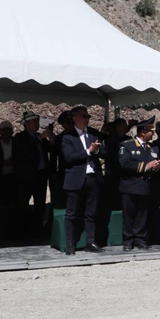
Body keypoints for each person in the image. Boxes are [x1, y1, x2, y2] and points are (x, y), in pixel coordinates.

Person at [60, 106, 106, 255]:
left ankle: (90, 242)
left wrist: (97, 150)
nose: (87, 119)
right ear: (75, 118)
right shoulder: (68, 137)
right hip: (75, 179)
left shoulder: (94, 133)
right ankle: (70, 244)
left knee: (91, 213)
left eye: (88, 116)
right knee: (72, 213)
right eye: (84, 116)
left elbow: (105, 152)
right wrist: (88, 151)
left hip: (93, 177)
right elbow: (69, 157)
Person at [118, 117, 160, 251]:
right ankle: (128, 240)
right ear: (143, 132)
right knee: (128, 215)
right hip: (130, 185)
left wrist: (155, 167)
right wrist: (145, 166)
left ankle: (140, 239)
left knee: (142, 215)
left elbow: (155, 165)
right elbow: (124, 163)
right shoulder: (127, 145)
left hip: (145, 186)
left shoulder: (152, 148)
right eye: (151, 131)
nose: (153, 133)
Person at [13, 111, 52, 237]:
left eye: (37, 121)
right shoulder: (20, 138)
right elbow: (24, 151)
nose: (36, 124)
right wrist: (40, 139)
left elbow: (51, 149)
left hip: (41, 175)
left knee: (40, 204)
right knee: (23, 204)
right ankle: (22, 231)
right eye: (34, 122)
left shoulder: (40, 137)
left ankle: (37, 230)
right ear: (26, 124)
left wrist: (51, 139)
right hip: (26, 176)